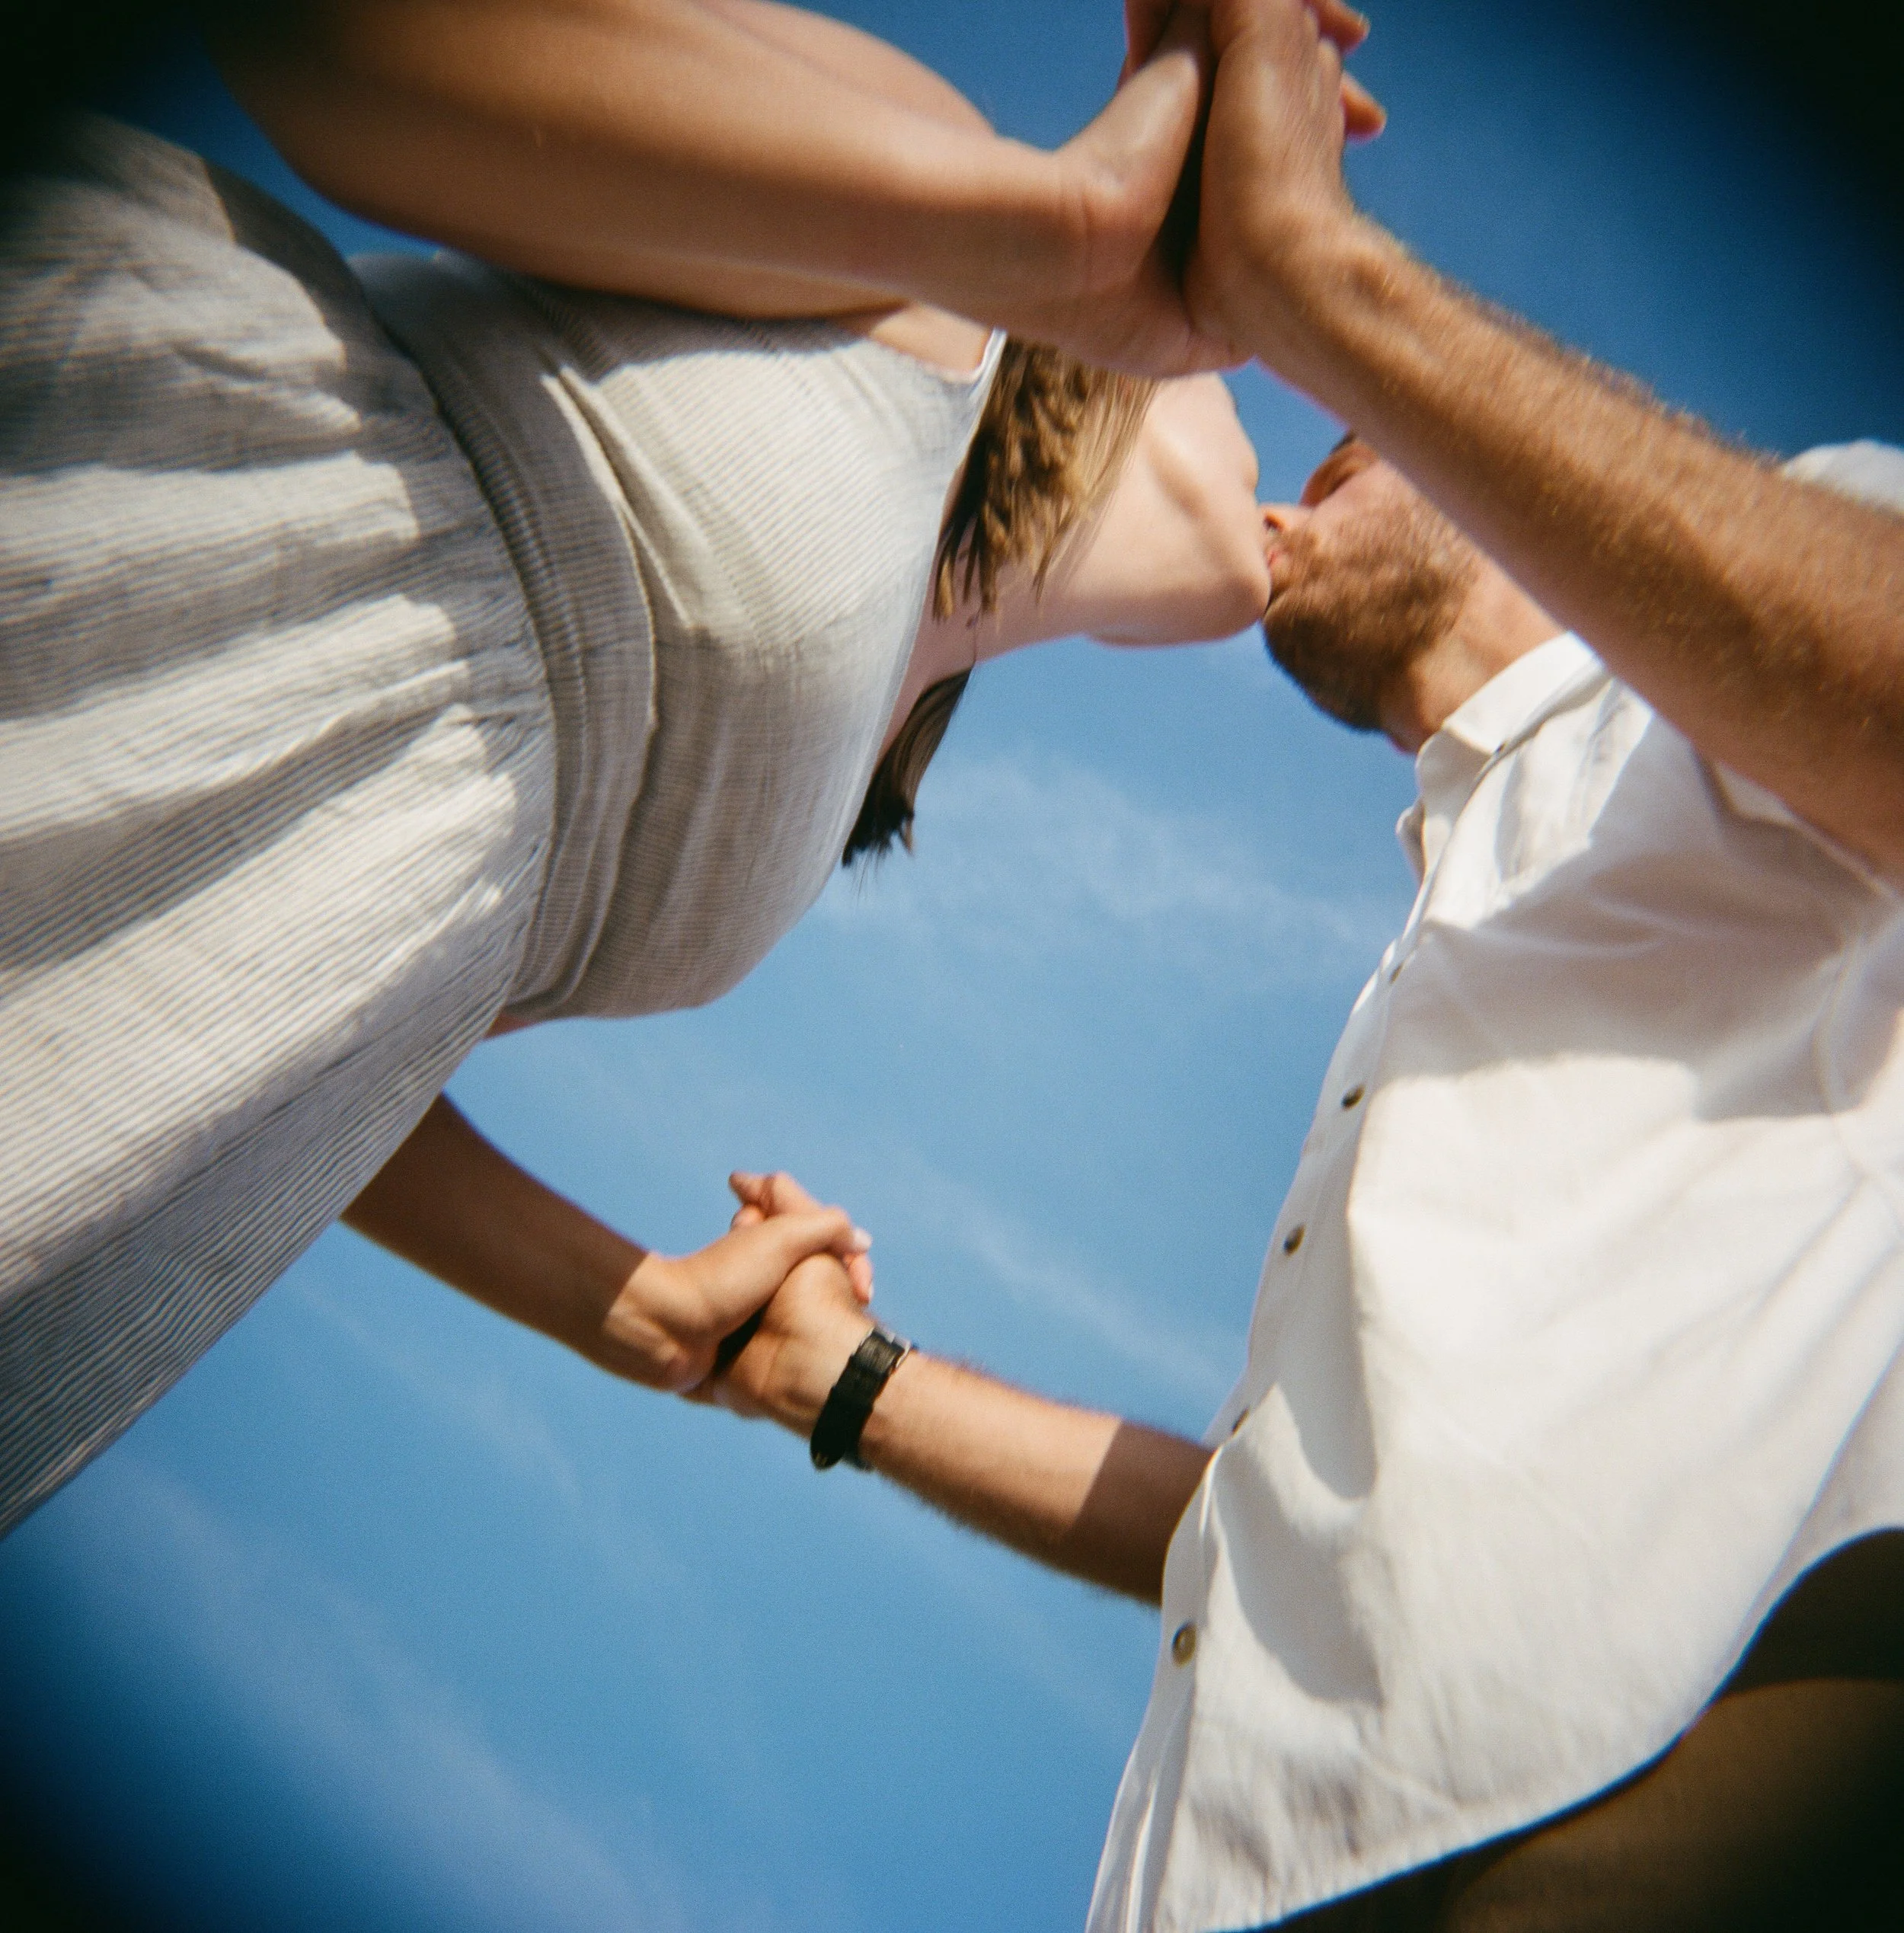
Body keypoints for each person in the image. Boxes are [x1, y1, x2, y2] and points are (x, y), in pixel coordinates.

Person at [708, 1, 1904, 1925]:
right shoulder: (1439, 942)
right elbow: (1273, 1541)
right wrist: (845, 1385)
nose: (1272, 502)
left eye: (1335, 450)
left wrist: (1318, 272)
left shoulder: (1714, 728)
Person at [0, 0, 1313, 1535]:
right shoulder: (938, 235)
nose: (1296, 468)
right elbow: (331, 55)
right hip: (113, 571)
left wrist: (623, 1302)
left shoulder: (848, 770)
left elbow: (324, 1019)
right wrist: (1051, 219)